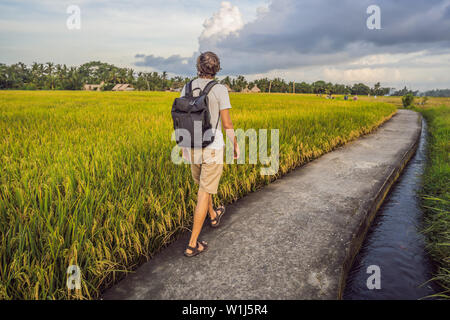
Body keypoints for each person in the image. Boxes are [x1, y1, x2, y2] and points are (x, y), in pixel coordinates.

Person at [180, 51, 240, 257]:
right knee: (204, 193)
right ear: (216, 69)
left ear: (198, 67)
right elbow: (227, 123)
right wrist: (235, 144)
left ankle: (213, 215)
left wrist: (183, 144)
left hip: (192, 144)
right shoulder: (220, 89)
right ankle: (192, 244)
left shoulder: (186, 87)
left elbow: (181, 118)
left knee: (203, 187)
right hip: (212, 147)